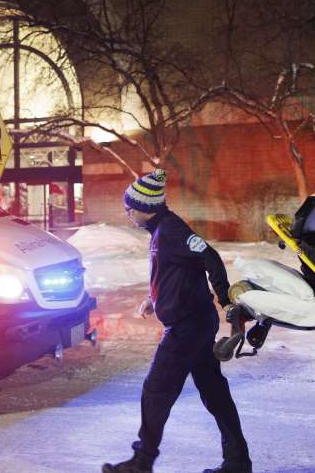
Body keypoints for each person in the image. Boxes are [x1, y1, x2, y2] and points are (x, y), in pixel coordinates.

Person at [103, 169, 253, 473]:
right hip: (194, 323)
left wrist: (225, 299)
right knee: (214, 392)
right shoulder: (161, 232)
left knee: (156, 390)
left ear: (146, 207)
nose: (127, 212)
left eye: (130, 206)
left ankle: (142, 462)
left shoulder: (171, 230)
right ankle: (238, 461)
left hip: (188, 327)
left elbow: (209, 256)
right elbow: (175, 271)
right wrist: (154, 298)